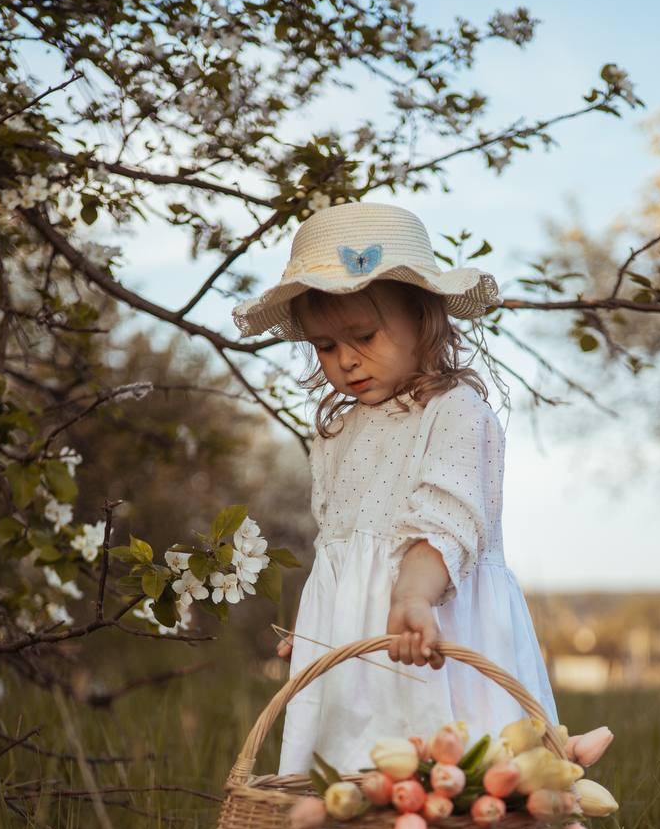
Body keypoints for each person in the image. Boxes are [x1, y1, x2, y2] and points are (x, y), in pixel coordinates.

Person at [233, 200, 560, 776]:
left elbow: (447, 522)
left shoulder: (455, 411)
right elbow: (340, 551)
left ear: (423, 319)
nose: (346, 361)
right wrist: (323, 627)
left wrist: (412, 597)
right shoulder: (338, 432)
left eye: (363, 335)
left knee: (457, 767)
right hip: (362, 649)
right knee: (353, 774)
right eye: (325, 346)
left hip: (433, 619)